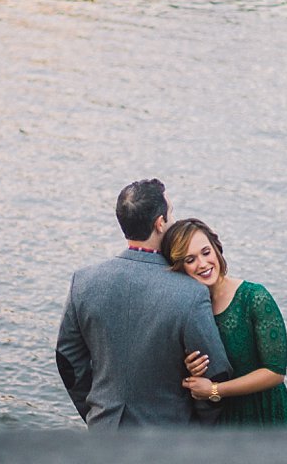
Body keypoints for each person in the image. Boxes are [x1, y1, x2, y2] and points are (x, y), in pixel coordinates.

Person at [55, 180, 232, 429]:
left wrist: (97, 411)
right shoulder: (191, 292)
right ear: (160, 223)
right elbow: (216, 371)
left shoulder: (83, 282)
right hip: (170, 435)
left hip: (105, 431)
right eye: (170, 214)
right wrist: (200, 422)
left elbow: (68, 361)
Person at [161, 218, 287, 427]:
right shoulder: (189, 311)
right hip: (223, 421)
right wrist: (192, 368)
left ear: (217, 250)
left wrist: (215, 390)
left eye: (206, 252)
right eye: (190, 260)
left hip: (267, 417)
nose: (203, 264)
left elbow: (275, 372)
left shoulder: (255, 297)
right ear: (180, 267)